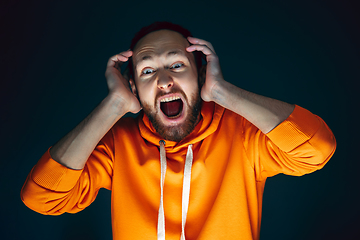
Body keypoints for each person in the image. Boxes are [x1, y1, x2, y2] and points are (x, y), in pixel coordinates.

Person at [21, 22, 336, 240]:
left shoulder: (241, 135)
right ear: (133, 87)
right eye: (147, 70)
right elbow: (42, 198)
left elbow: (318, 148)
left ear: (200, 75)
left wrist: (223, 93)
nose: (163, 80)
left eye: (176, 65)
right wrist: (113, 106)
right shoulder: (118, 146)